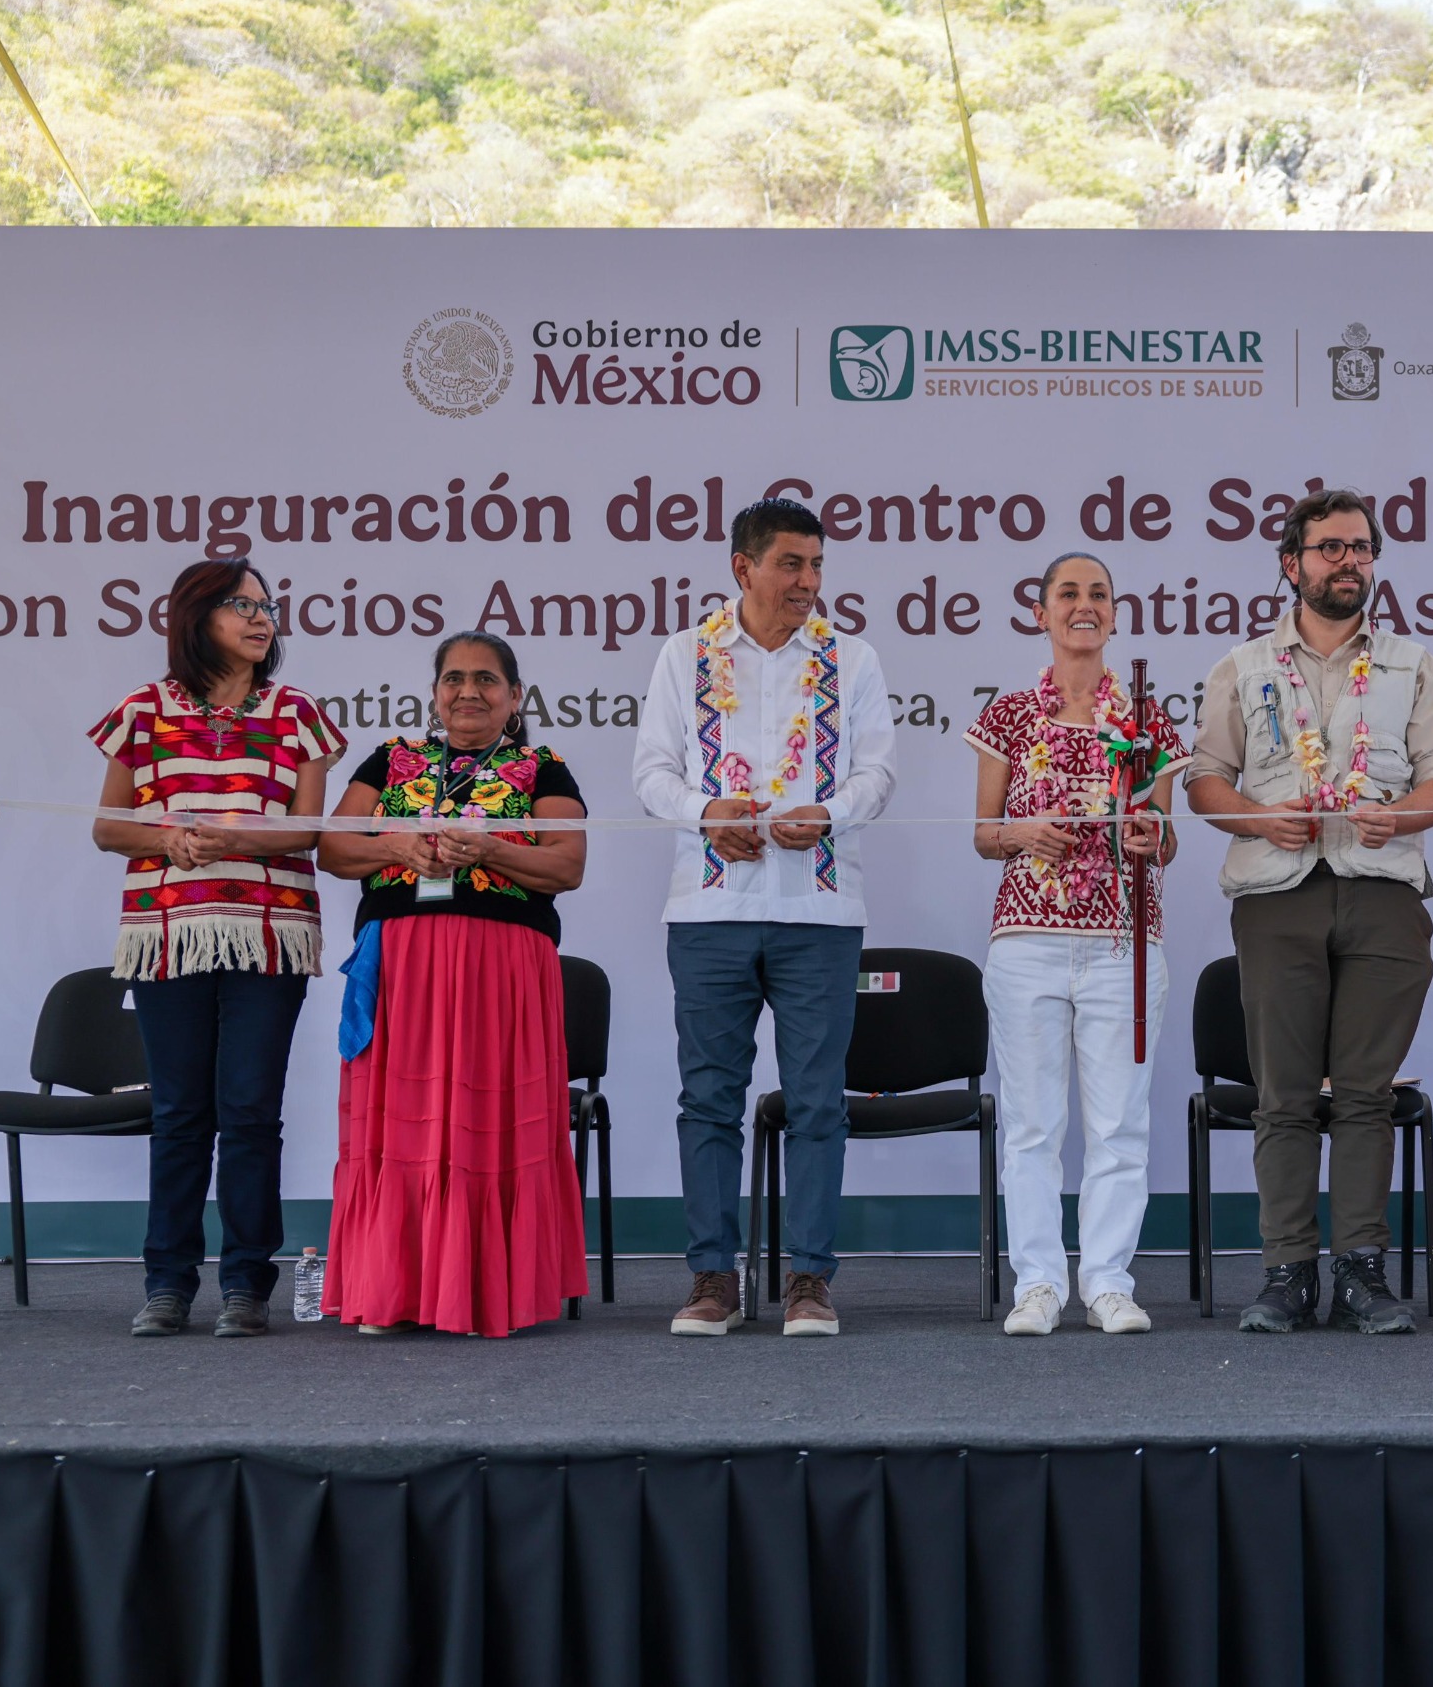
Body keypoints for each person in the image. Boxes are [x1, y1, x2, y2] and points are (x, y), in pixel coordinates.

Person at [1187, 488, 1433, 1334]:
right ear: (1291, 564)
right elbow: (1205, 780)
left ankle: (1360, 1272)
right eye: (1331, 548)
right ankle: (1285, 1274)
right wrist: (1255, 816)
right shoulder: (1241, 666)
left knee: (1365, 1094)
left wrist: (1402, 815)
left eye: (1361, 549)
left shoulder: (1414, 664)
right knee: (1282, 1095)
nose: (1350, 561)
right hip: (1277, 895)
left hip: (1383, 891)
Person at [632, 498, 897, 1336]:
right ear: (742, 567)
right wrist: (709, 810)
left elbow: (877, 774)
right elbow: (652, 770)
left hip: (819, 910)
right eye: (791, 564)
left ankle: (810, 1280)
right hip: (710, 909)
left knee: (818, 1100)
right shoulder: (685, 655)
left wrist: (830, 813)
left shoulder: (851, 659)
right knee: (709, 1096)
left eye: (817, 566)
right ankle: (714, 1276)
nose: (808, 582)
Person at [89, 560, 345, 1338]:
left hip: (270, 929)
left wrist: (238, 835)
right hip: (169, 930)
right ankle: (167, 1283)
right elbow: (108, 827)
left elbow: (307, 830)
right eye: (241, 605)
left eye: (267, 606)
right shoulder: (142, 710)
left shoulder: (299, 712)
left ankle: (246, 1284)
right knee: (178, 1111)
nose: (261, 618)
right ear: (196, 617)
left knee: (249, 1111)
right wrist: (169, 837)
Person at [315, 632, 591, 1336]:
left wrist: (493, 848)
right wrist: (399, 845)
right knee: (403, 1124)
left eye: (487, 679)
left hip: (502, 969)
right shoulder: (392, 758)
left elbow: (567, 866)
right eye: (455, 678)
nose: (469, 691)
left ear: (515, 696)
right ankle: (392, 1288)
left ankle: (490, 1290)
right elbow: (334, 846)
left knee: (488, 1126)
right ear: (435, 692)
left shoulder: (542, 766)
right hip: (402, 965)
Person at [967, 553, 1188, 1336]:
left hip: (1124, 943)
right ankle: (1037, 1283)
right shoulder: (1010, 714)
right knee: (1031, 1124)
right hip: (1027, 940)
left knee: (1119, 1123)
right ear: (1042, 613)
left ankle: (1107, 1281)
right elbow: (985, 832)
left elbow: (1164, 840)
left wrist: (1147, 833)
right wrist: (1024, 832)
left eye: (1098, 594)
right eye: (1069, 593)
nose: (1084, 605)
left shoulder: (1146, 718)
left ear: (1115, 614)